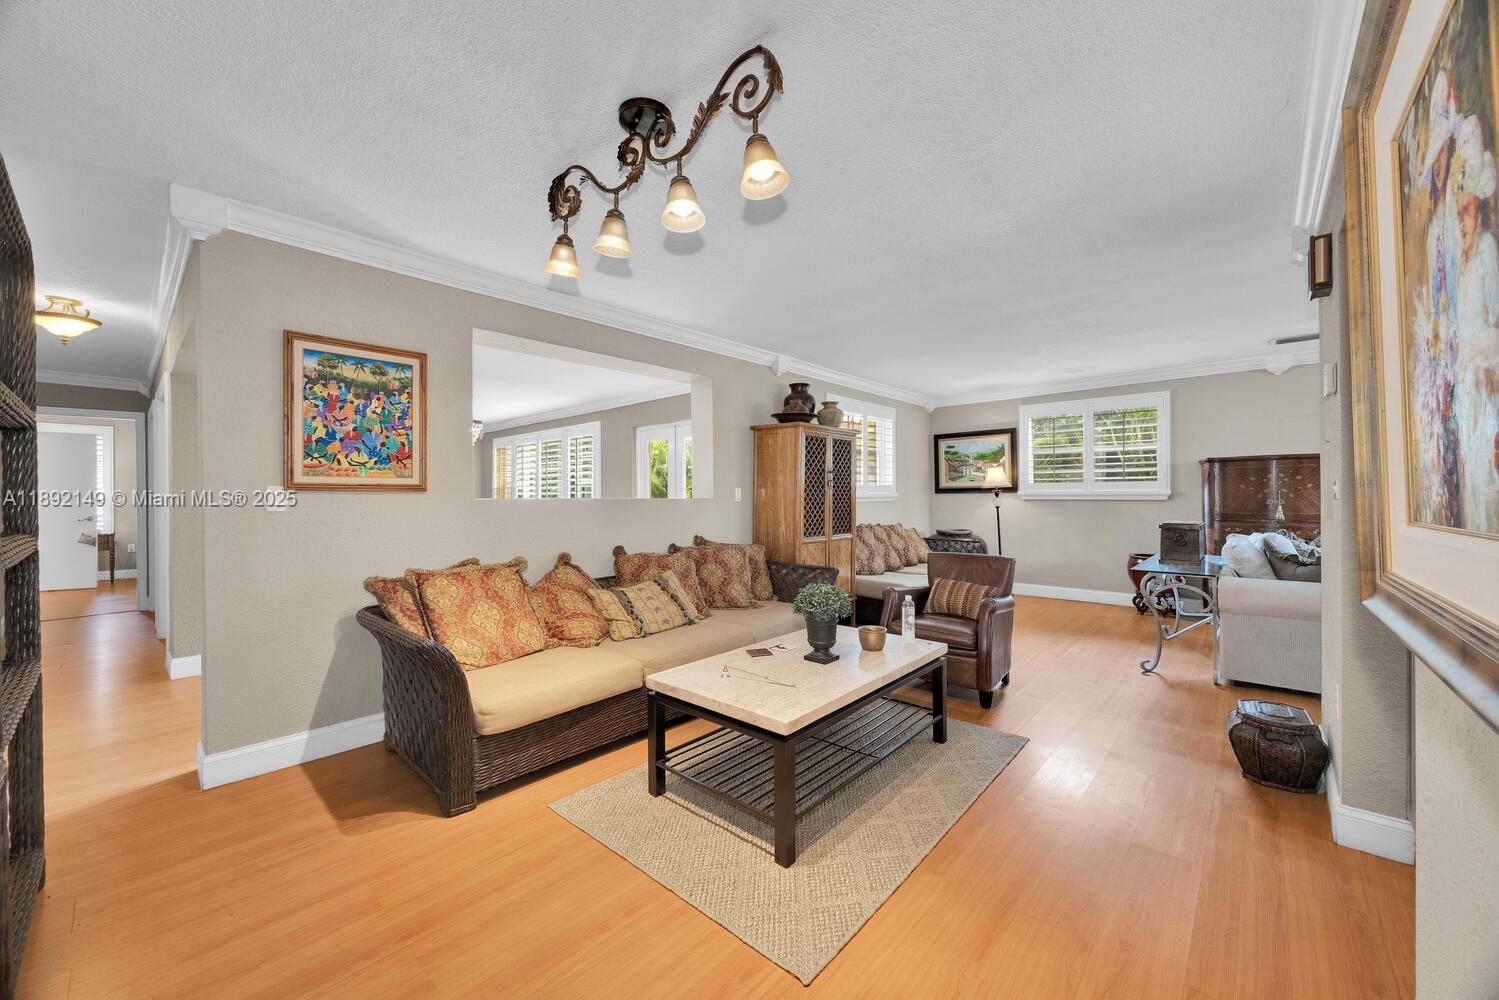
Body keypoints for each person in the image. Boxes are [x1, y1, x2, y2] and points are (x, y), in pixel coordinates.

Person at [1450, 115, 1499, 533]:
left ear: (1478, 207)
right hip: (1469, 389)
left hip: (1484, 386)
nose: (1461, 221)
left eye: (1466, 210)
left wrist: (1468, 353)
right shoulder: (1462, 266)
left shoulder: (1486, 255)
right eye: (1457, 212)